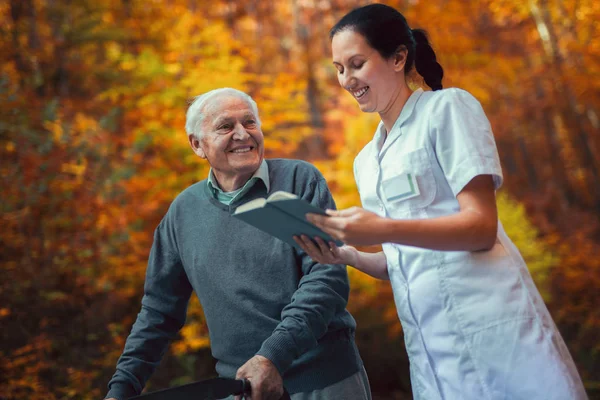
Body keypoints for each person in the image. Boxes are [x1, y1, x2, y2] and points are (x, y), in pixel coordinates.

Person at [294, 4, 587, 400]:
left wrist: (380, 229)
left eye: (357, 63)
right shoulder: (366, 161)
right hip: (431, 351)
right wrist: (349, 256)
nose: (347, 79)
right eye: (339, 68)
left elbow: (481, 228)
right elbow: (403, 261)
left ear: (398, 57)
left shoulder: (447, 110)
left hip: (494, 329)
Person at [104, 88, 371, 400]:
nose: (243, 134)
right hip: (241, 390)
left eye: (250, 123)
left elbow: (327, 278)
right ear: (197, 144)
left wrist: (272, 356)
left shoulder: (299, 180)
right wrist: (121, 388)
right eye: (225, 127)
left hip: (324, 383)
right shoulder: (182, 212)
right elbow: (157, 313)